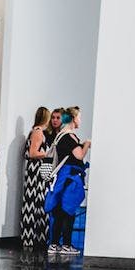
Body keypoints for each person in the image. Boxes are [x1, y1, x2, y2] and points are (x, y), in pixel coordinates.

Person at [44, 106, 89, 253]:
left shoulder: (60, 135)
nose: (80, 120)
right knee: (68, 210)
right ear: (74, 118)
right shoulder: (69, 137)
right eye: (79, 117)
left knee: (58, 211)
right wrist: (87, 144)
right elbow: (79, 155)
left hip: (61, 178)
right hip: (69, 178)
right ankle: (66, 245)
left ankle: (54, 243)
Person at [20, 106, 52, 251]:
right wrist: (48, 153)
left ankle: (33, 237)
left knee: (35, 203)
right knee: (35, 203)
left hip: (34, 171)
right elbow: (33, 153)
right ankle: (34, 238)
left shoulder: (35, 131)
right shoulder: (38, 132)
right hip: (36, 171)